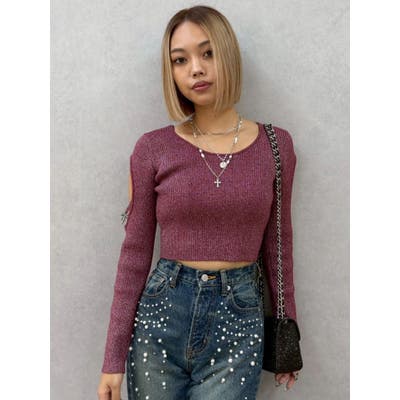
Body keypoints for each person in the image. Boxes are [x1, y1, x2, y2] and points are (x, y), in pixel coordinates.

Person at [97, 5, 300, 400]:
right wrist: (112, 360)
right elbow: (134, 255)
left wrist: (286, 332)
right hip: (161, 319)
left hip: (239, 323)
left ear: (229, 54)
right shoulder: (153, 149)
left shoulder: (276, 146)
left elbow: (279, 248)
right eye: (180, 60)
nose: (195, 69)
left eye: (208, 53)